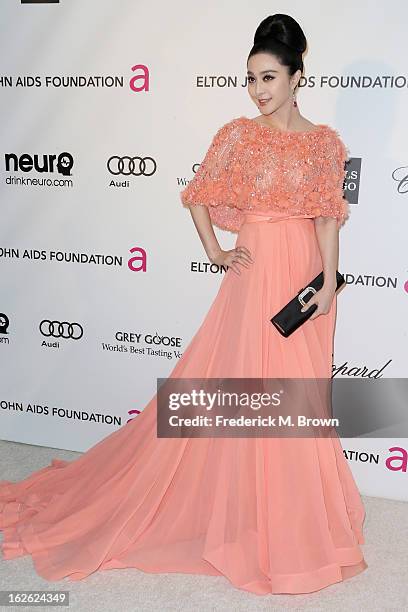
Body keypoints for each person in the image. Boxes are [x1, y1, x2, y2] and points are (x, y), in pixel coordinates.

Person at [0, 13, 367, 596]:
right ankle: (242, 514)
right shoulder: (238, 135)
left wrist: (328, 284)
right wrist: (217, 249)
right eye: (251, 78)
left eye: (269, 77)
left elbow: (327, 219)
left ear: (298, 77)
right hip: (255, 274)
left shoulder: (326, 144)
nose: (258, 90)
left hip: (305, 281)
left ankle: (287, 515)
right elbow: (198, 196)